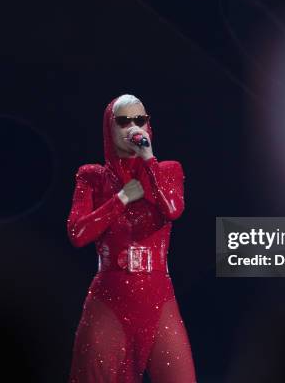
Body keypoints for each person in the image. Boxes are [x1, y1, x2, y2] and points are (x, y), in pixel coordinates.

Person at [67, 94, 196, 382]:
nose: (133, 127)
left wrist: (149, 160)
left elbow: (173, 210)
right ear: (109, 128)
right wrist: (122, 198)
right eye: (124, 121)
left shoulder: (168, 170)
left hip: (157, 293)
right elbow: (77, 233)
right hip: (110, 295)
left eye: (140, 120)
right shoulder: (92, 176)